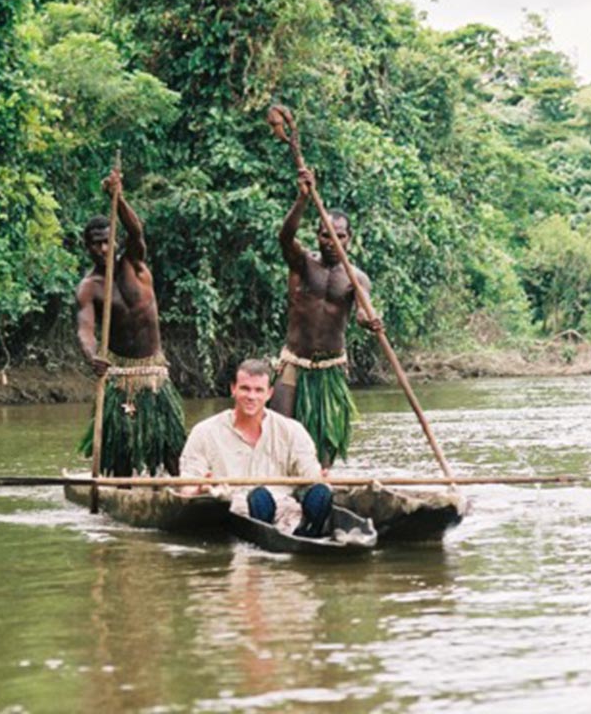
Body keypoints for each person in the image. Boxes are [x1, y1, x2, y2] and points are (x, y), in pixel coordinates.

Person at [267, 167, 383, 467]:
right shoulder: (303, 264)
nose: (331, 241)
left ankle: (322, 488)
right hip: (294, 361)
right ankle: (277, 490)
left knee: (326, 439)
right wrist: (302, 199)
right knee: (279, 430)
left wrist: (370, 320)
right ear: (317, 235)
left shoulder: (356, 278)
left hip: (330, 368)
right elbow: (285, 235)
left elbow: (361, 309)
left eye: (338, 236)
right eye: (325, 234)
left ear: (348, 238)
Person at [75, 168, 185, 477]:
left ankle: (177, 492)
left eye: (107, 241)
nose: (103, 249)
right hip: (119, 374)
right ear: (87, 246)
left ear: (116, 241)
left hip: (153, 371)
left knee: (171, 444)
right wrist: (93, 356)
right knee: (121, 448)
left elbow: (136, 231)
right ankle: (122, 499)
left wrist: (118, 198)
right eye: (95, 244)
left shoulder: (135, 263)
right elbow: (85, 330)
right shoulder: (89, 287)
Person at [180, 359, 333, 537]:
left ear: (269, 394)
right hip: (233, 509)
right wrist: (201, 489)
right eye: (245, 388)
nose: (251, 396)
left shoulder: (292, 430)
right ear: (233, 389)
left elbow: (310, 473)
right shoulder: (204, 432)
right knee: (259, 497)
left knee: (321, 494)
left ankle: (309, 530)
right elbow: (186, 487)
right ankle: (269, 531)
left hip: (286, 512)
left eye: (259, 390)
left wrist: (321, 480)